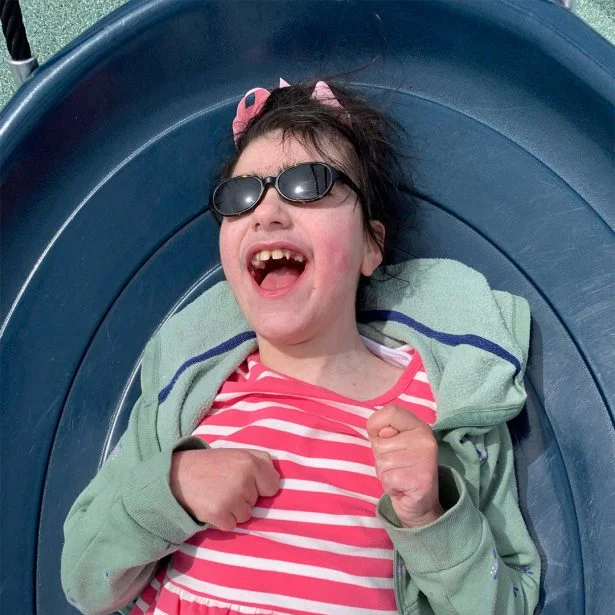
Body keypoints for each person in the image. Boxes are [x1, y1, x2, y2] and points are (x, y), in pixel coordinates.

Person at [61, 79, 541, 615]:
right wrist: (171, 489)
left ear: (371, 245)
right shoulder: (191, 394)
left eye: (309, 184)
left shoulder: (448, 412)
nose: (266, 212)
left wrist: (431, 517)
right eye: (240, 195)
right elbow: (85, 582)